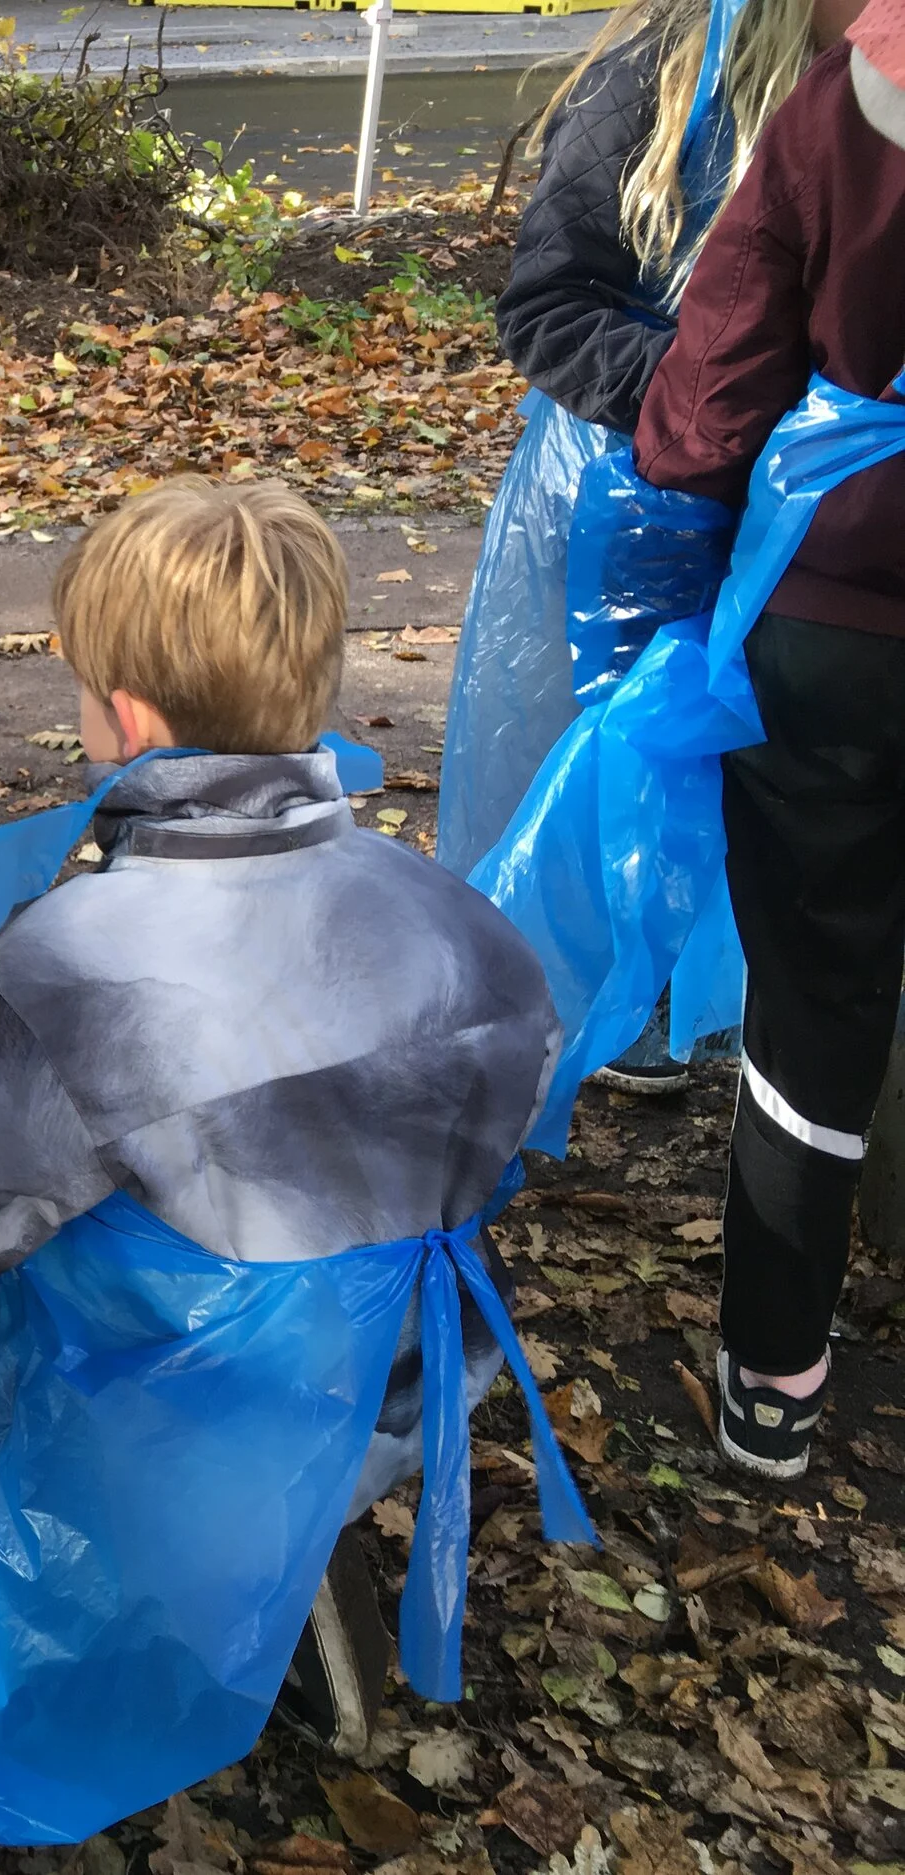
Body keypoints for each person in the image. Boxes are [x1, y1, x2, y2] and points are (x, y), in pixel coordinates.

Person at [0, 479, 586, 1843]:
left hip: (158, 1450)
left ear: (125, 714)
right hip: (388, 1397)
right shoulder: (463, 929)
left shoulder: (84, 968)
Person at [443, 0, 833, 1092]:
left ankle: (722, 991)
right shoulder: (653, 85)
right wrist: (715, 402)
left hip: (803, 502)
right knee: (612, 755)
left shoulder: (873, 96)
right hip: (627, 494)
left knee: (765, 750)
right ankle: (613, 994)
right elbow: (547, 305)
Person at [633, 0, 905, 1478]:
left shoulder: (842, 105)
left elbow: (701, 414)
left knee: (814, 994)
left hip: (839, 631)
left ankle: (774, 1379)